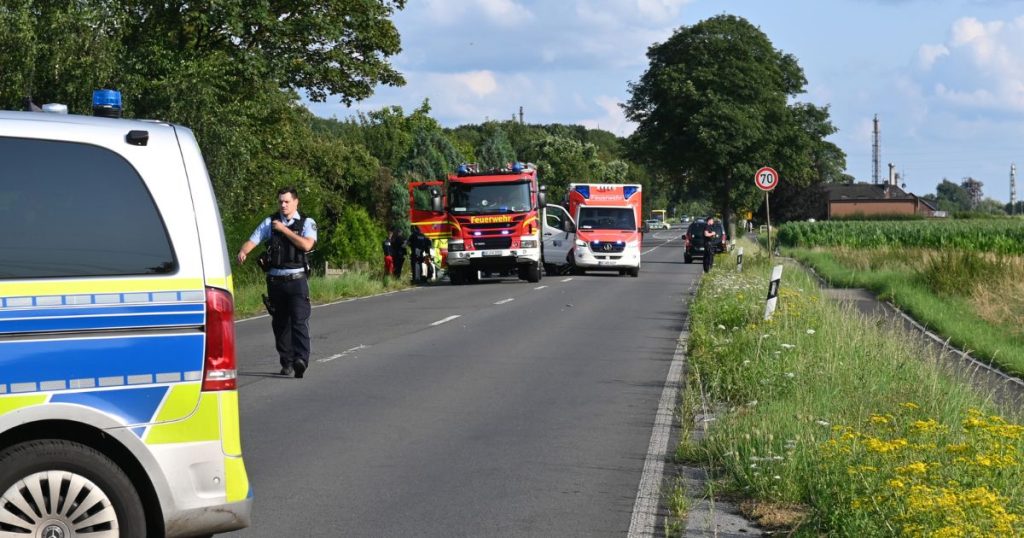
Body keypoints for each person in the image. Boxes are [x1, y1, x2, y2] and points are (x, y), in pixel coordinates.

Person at [237, 187, 317, 378]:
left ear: (296, 202)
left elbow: (306, 244)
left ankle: (301, 360)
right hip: (275, 282)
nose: (283, 205)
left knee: (299, 321)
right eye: (280, 201)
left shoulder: (306, 222)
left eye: (287, 202)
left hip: (296, 280)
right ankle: (287, 362)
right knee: (280, 324)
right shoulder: (270, 222)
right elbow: (253, 239)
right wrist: (243, 251)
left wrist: (284, 230)